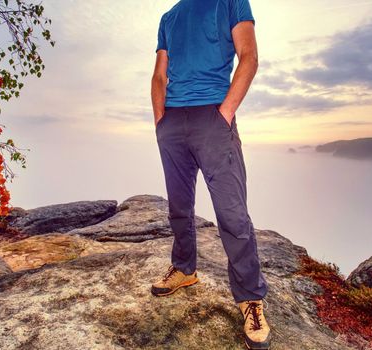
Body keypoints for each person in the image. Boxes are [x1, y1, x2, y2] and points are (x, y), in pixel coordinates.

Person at [150, 0, 271, 348]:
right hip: (172, 120)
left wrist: (225, 113)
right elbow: (160, 74)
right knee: (179, 206)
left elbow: (249, 56)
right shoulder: (169, 17)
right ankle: (184, 269)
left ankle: (250, 298)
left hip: (213, 118)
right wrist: (161, 120)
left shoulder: (231, 2)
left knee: (232, 214)